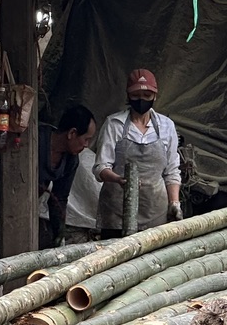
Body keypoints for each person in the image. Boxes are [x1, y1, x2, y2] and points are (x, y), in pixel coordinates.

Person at [94, 69, 182, 237]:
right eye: (136, 95)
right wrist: (118, 179)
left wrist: (174, 203)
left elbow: (171, 171)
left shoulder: (166, 126)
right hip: (117, 212)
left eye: (147, 95)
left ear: (155, 96)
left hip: (155, 211)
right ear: (128, 96)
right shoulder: (115, 124)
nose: (141, 100)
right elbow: (100, 167)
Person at [37, 105, 97, 247]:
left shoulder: (71, 160)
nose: (87, 145)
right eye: (86, 139)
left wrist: (59, 235)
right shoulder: (36, 140)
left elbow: (59, 198)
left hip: (25, 209)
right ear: (72, 133)